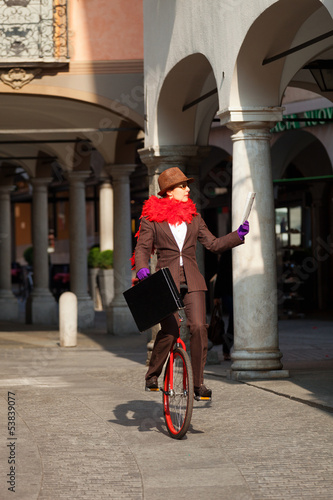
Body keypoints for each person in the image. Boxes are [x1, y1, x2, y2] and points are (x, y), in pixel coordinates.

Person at [133, 167, 249, 400]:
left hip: (193, 278)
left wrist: (238, 235)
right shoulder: (150, 218)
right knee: (171, 330)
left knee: (198, 327)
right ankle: (152, 375)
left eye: (187, 185)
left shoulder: (194, 217)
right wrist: (142, 266)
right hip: (165, 280)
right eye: (182, 186)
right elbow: (143, 248)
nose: (187, 189)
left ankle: (198, 384)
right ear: (168, 192)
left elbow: (214, 244)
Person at [213, 249, 233, 361]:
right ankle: (226, 349)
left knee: (235, 320)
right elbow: (220, 273)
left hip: (243, 290)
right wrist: (216, 295)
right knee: (234, 319)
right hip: (228, 292)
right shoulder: (227, 252)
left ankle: (227, 349)